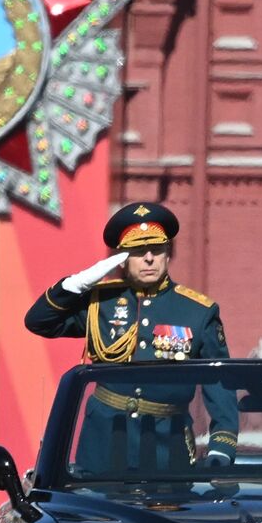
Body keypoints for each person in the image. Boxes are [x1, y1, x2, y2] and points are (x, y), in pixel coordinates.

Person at [24, 202, 238, 472]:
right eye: (137, 251)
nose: (149, 258)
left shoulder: (197, 311)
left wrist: (222, 446)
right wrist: (74, 285)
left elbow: (219, 382)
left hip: (166, 445)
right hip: (103, 442)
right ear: (122, 258)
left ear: (168, 254)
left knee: (168, 512)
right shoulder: (101, 303)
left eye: (157, 250)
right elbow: (39, 322)